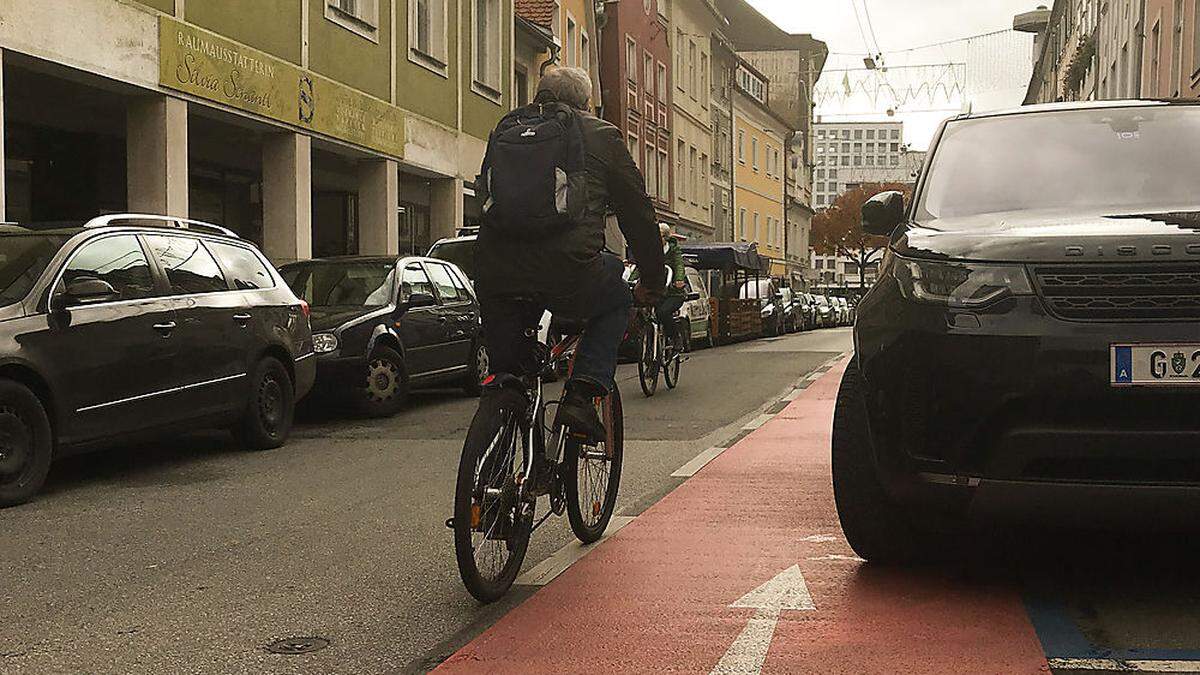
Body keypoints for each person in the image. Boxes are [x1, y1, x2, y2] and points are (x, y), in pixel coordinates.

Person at [473, 67, 665, 449]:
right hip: (569, 270)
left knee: (508, 372)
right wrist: (653, 282)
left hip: (495, 271)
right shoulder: (602, 135)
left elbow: (485, 195)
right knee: (615, 297)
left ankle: (493, 461)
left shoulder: (506, 130)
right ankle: (581, 395)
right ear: (585, 104)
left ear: (539, 95)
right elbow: (638, 215)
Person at [655, 224, 688, 348]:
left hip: (673, 292)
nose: (658, 239)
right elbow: (642, 267)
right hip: (656, 291)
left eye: (661, 236)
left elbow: (679, 265)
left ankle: (675, 338)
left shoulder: (674, 251)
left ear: (667, 238)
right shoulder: (651, 250)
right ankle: (648, 340)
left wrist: (679, 280)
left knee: (663, 312)